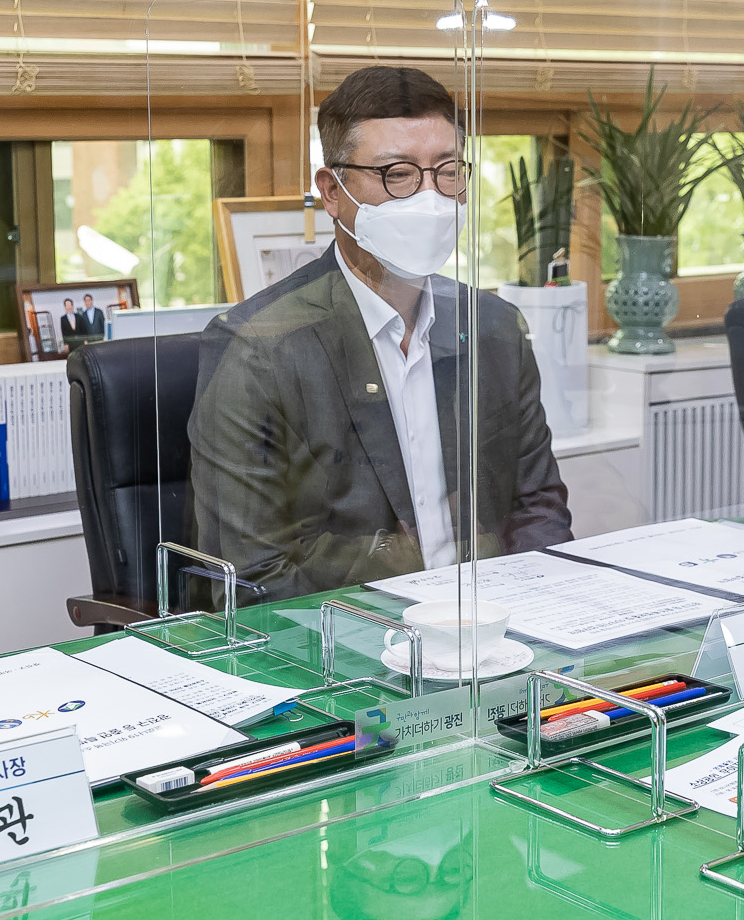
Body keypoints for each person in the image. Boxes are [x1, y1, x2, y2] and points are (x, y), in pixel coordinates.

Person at [190, 64, 570, 600]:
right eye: (397, 174)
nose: (429, 198)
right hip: (348, 641)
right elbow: (254, 573)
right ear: (333, 190)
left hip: (493, 629)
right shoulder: (260, 349)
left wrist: (538, 612)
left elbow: (538, 510)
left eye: (446, 171)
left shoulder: (493, 329)